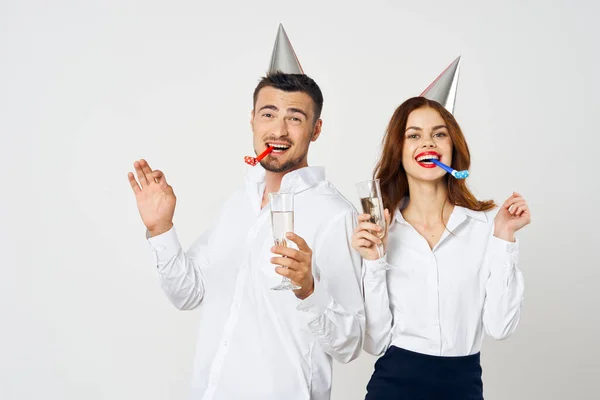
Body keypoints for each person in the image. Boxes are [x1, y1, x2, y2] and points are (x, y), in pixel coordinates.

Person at [127, 25, 364, 400]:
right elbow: (188, 293)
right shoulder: (240, 202)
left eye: (295, 118)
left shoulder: (335, 215)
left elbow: (349, 342)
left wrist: (309, 288)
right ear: (252, 119)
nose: (279, 130)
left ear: (316, 130)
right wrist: (161, 228)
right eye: (268, 114)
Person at [352, 95, 530, 399]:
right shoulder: (382, 230)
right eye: (414, 135)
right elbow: (376, 342)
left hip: (463, 386)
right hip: (392, 386)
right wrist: (373, 261)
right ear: (399, 151)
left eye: (439, 134)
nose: (428, 143)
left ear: (453, 148)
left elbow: (500, 327)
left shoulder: (486, 225)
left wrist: (503, 238)